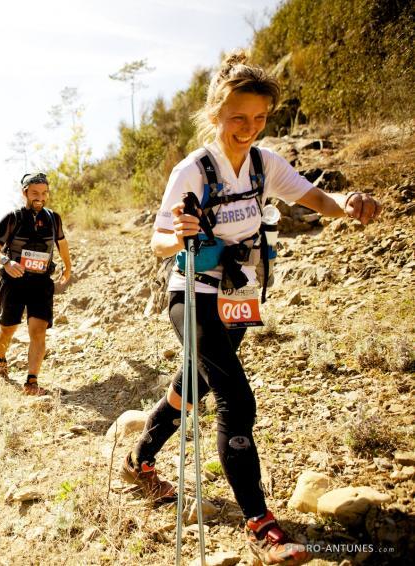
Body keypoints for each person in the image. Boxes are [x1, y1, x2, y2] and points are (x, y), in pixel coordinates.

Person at [121, 50, 381, 566]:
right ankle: (261, 525)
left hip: (239, 295)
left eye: (260, 118)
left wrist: (347, 202)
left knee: (190, 386)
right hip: (192, 292)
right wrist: (180, 236)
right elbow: (156, 240)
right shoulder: (193, 169)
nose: (249, 128)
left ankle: (138, 460)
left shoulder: (264, 163)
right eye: (239, 117)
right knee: (235, 400)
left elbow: (314, 197)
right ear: (216, 113)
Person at [0, 172, 72, 395]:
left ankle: (31, 381)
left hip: (41, 283)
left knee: (38, 330)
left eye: (44, 193)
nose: (40, 197)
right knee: (7, 330)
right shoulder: (12, 218)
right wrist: (5, 261)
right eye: (35, 193)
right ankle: (0, 359)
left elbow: (62, 243)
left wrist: (68, 266)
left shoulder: (54, 218)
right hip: (13, 282)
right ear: (24, 192)